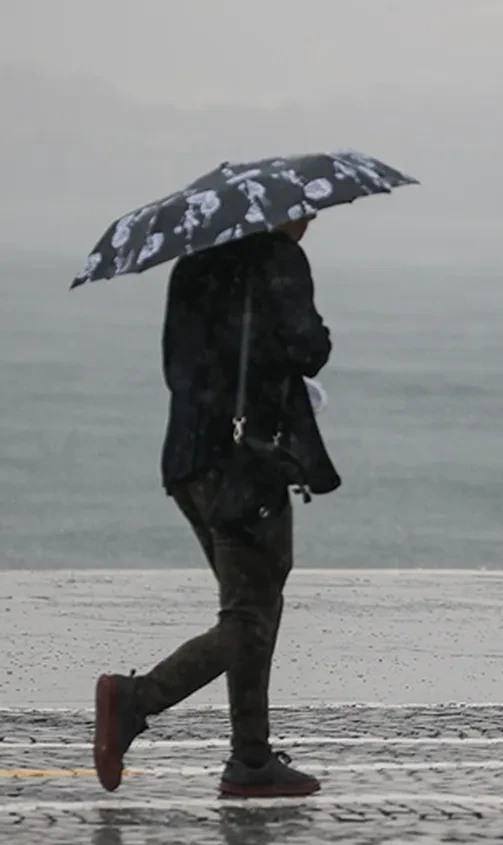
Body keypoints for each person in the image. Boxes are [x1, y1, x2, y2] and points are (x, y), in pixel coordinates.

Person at [93, 217, 341, 797]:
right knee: (252, 615)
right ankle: (136, 699)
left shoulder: (195, 262)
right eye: (304, 211)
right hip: (245, 465)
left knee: (250, 604)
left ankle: (251, 760)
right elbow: (310, 348)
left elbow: (176, 366)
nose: (309, 220)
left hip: (187, 459)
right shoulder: (277, 259)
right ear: (278, 214)